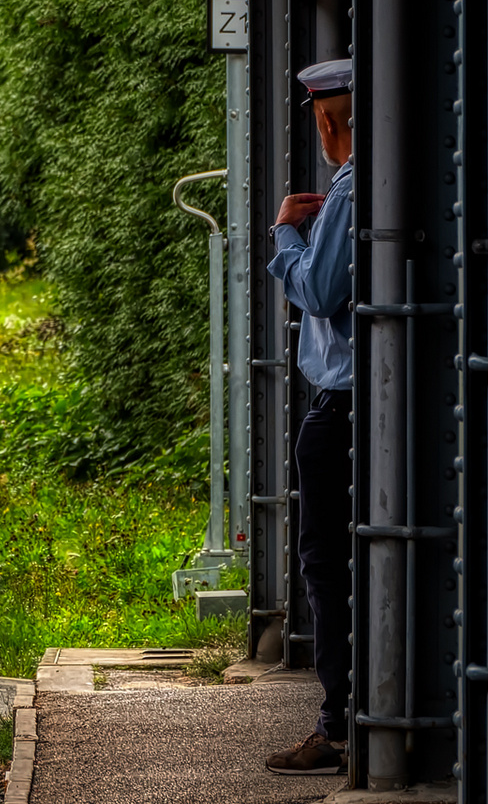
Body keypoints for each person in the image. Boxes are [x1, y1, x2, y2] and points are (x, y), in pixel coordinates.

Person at [262, 58, 355, 776]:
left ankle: (340, 723)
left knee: (325, 564)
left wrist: (286, 237)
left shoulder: (352, 189)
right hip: (366, 402)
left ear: (326, 120)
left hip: (344, 409)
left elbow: (320, 291)